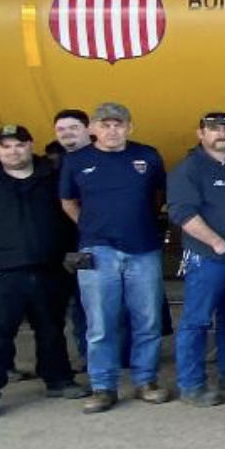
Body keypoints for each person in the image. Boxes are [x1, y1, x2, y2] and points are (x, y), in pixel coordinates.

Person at [0, 122, 80, 421]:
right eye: (6, 146)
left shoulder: (52, 181)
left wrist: (69, 258)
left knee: (51, 330)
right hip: (0, 275)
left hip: (48, 270)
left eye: (19, 145)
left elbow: (71, 219)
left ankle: (58, 380)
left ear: (30, 145)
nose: (13, 151)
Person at [59, 100, 167, 412]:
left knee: (147, 319)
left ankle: (146, 380)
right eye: (104, 124)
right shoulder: (77, 161)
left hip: (143, 248)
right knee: (101, 322)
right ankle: (103, 386)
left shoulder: (147, 156)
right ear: (92, 129)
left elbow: (159, 195)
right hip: (98, 250)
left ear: (129, 127)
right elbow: (68, 202)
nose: (112, 130)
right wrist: (92, 228)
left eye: (118, 124)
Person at [167, 109, 225, 405]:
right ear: (201, 134)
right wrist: (217, 243)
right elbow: (182, 212)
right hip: (208, 259)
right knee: (196, 321)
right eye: (213, 128)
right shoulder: (189, 169)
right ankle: (191, 385)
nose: (221, 133)